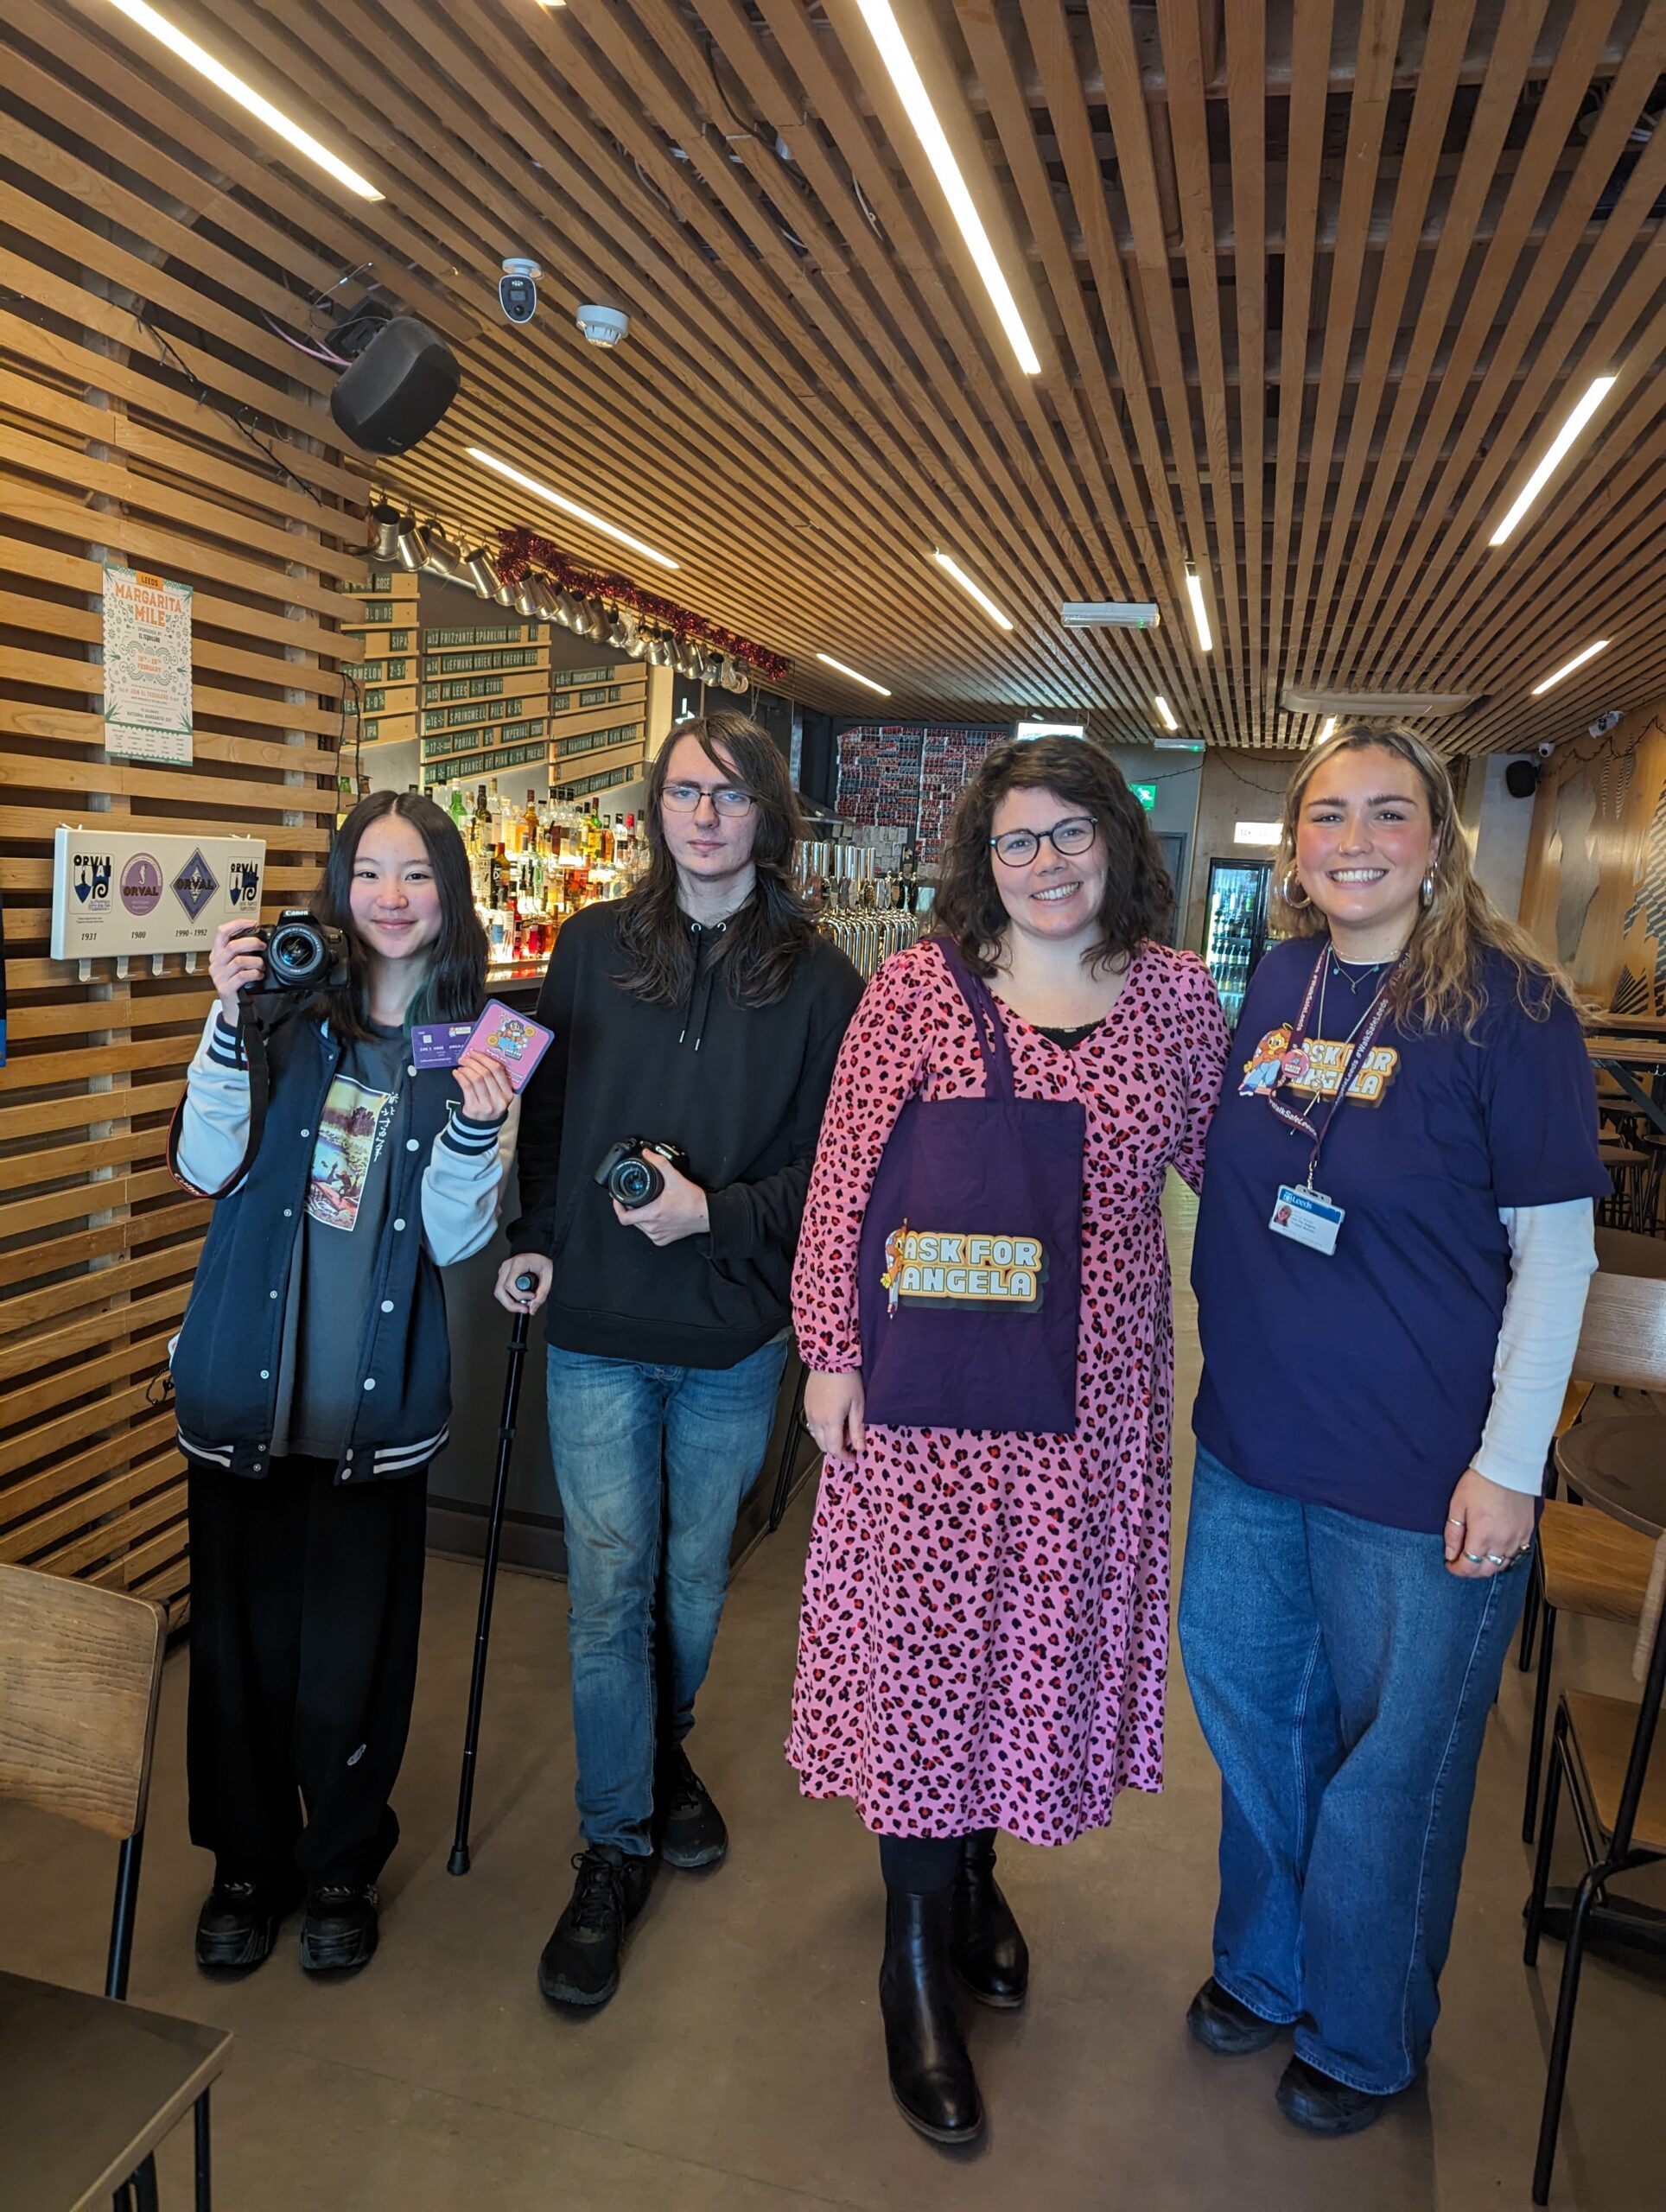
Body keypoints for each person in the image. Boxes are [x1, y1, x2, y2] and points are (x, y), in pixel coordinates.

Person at [788, 736, 1231, 2145]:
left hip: (1086, 1416)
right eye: (1017, 843)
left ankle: (976, 1879)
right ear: (984, 858)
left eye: (1070, 836)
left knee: (1012, 1648)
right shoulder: (918, 988)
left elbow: (1240, 1170)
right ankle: (912, 1957)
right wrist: (828, 1349)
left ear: (1118, 841)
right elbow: (844, 1178)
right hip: (923, 1407)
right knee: (924, 1656)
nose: (1045, 866)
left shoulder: (1172, 1004)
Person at [1181, 725, 1606, 2136]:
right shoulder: (1285, 975)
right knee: (1260, 1726)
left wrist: (1511, 1463)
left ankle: (1363, 2033)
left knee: (1390, 1774)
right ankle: (1266, 1961)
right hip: (1250, 1442)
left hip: (1422, 1471)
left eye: (1388, 813)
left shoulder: (1514, 1005)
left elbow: (1556, 1257)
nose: (1354, 839)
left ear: (1437, 839)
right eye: (1327, 817)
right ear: (1296, 846)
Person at [498, 712, 862, 2012]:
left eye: (731, 795)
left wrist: (719, 1217)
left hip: (731, 1335)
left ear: (770, 815)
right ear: (658, 810)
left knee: (694, 1582)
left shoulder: (824, 980)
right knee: (610, 1591)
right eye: (684, 792)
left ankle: (659, 1756)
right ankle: (615, 1844)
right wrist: (539, 1232)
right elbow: (540, 1112)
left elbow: (839, 1178)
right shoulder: (591, 946)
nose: (703, 815)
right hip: (596, 1326)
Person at [170, 791, 518, 1977]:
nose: (389, 896)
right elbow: (205, 1164)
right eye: (368, 872)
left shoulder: (481, 1035)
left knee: (354, 1655)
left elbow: (456, 1239)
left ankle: (340, 1866)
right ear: (336, 885)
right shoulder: (280, 1009)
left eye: (415, 873)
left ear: (448, 891)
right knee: (240, 1648)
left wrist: (475, 1136)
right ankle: (245, 1866)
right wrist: (228, 1019)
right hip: (244, 1388)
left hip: (377, 1402)